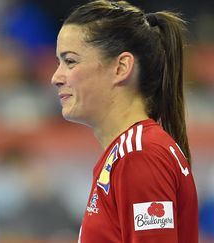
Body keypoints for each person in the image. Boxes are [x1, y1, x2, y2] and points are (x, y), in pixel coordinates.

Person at [51, 1, 198, 242]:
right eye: (59, 62)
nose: (56, 77)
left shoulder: (139, 155)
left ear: (121, 68)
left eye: (70, 61)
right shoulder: (127, 153)